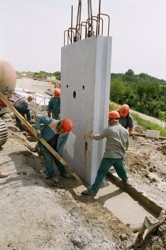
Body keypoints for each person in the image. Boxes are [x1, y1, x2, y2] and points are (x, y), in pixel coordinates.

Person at [82, 111, 129, 196]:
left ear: (112, 119)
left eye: (109, 120)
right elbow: (127, 145)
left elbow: (99, 137)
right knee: (121, 171)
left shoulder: (109, 129)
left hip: (109, 156)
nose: (108, 122)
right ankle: (126, 182)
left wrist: (92, 136)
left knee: (101, 173)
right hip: (119, 156)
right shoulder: (125, 131)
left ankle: (93, 191)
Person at [35, 115, 73, 184]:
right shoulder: (51, 122)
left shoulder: (66, 131)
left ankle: (63, 172)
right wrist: (38, 130)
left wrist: (59, 152)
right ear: (61, 124)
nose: (63, 132)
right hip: (45, 144)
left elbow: (63, 142)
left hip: (55, 146)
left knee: (59, 158)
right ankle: (51, 175)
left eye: (64, 131)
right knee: (48, 159)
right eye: (62, 129)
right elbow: (39, 118)